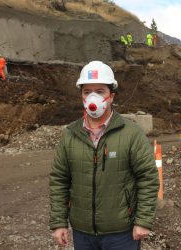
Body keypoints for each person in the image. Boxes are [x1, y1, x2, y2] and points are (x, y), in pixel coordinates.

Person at [49, 61, 159, 249]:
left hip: (121, 234)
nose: (93, 97)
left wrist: (143, 220)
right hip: (83, 234)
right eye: (87, 92)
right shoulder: (70, 134)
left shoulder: (131, 133)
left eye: (99, 91)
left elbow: (148, 178)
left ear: (111, 96)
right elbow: (59, 180)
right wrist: (59, 223)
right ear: (81, 96)